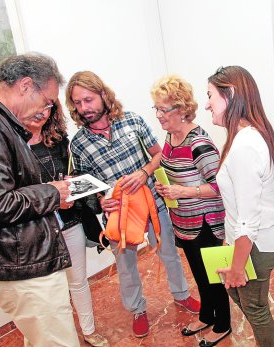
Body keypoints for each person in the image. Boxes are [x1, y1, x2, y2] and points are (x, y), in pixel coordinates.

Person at [0, 53, 80, 346]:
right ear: (25, 85)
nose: (47, 109)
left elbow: (2, 190)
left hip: (16, 258)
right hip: (21, 263)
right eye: (47, 100)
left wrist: (46, 189)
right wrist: (52, 193)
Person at [66, 71, 200, 339]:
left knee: (168, 253)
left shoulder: (133, 122)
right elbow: (83, 185)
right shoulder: (78, 143)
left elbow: (159, 155)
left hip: (153, 203)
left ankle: (181, 294)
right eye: (78, 103)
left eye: (88, 100)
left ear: (103, 95)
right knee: (126, 267)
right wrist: (101, 200)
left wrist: (145, 172)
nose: (84, 108)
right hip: (117, 215)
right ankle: (138, 310)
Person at [208, 66, 274, 347]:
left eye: (211, 96)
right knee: (237, 295)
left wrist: (237, 265)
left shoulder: (245, 144)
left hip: (256, 243)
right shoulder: (241, 138)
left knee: (255, 308)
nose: (207, 104)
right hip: (244, 239)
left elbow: (247, 220)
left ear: (229, 95)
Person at [151, 75, 231, 347]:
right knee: (198, 273)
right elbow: (175, 172)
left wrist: (182, 192)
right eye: (157, 108)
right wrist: (167, 187)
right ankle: (207, 315)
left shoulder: (199, 143)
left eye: (164, 109)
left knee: (214, 276)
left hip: (207, 223)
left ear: (182, 109)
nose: (159, 115)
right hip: (183, 220)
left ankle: (222, 324)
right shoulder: (170, 136)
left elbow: (220, 186)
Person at [24, 101, 109, 347]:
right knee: (44, 294)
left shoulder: (59, 141)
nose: (40, 112)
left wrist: (73, 187)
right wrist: (53, 199)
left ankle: (89, 331)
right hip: (38, 230)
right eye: (35, 106)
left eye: (47, 106)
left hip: (70, 223)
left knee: (78, 281)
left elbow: (72, 174)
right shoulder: (13, 147)